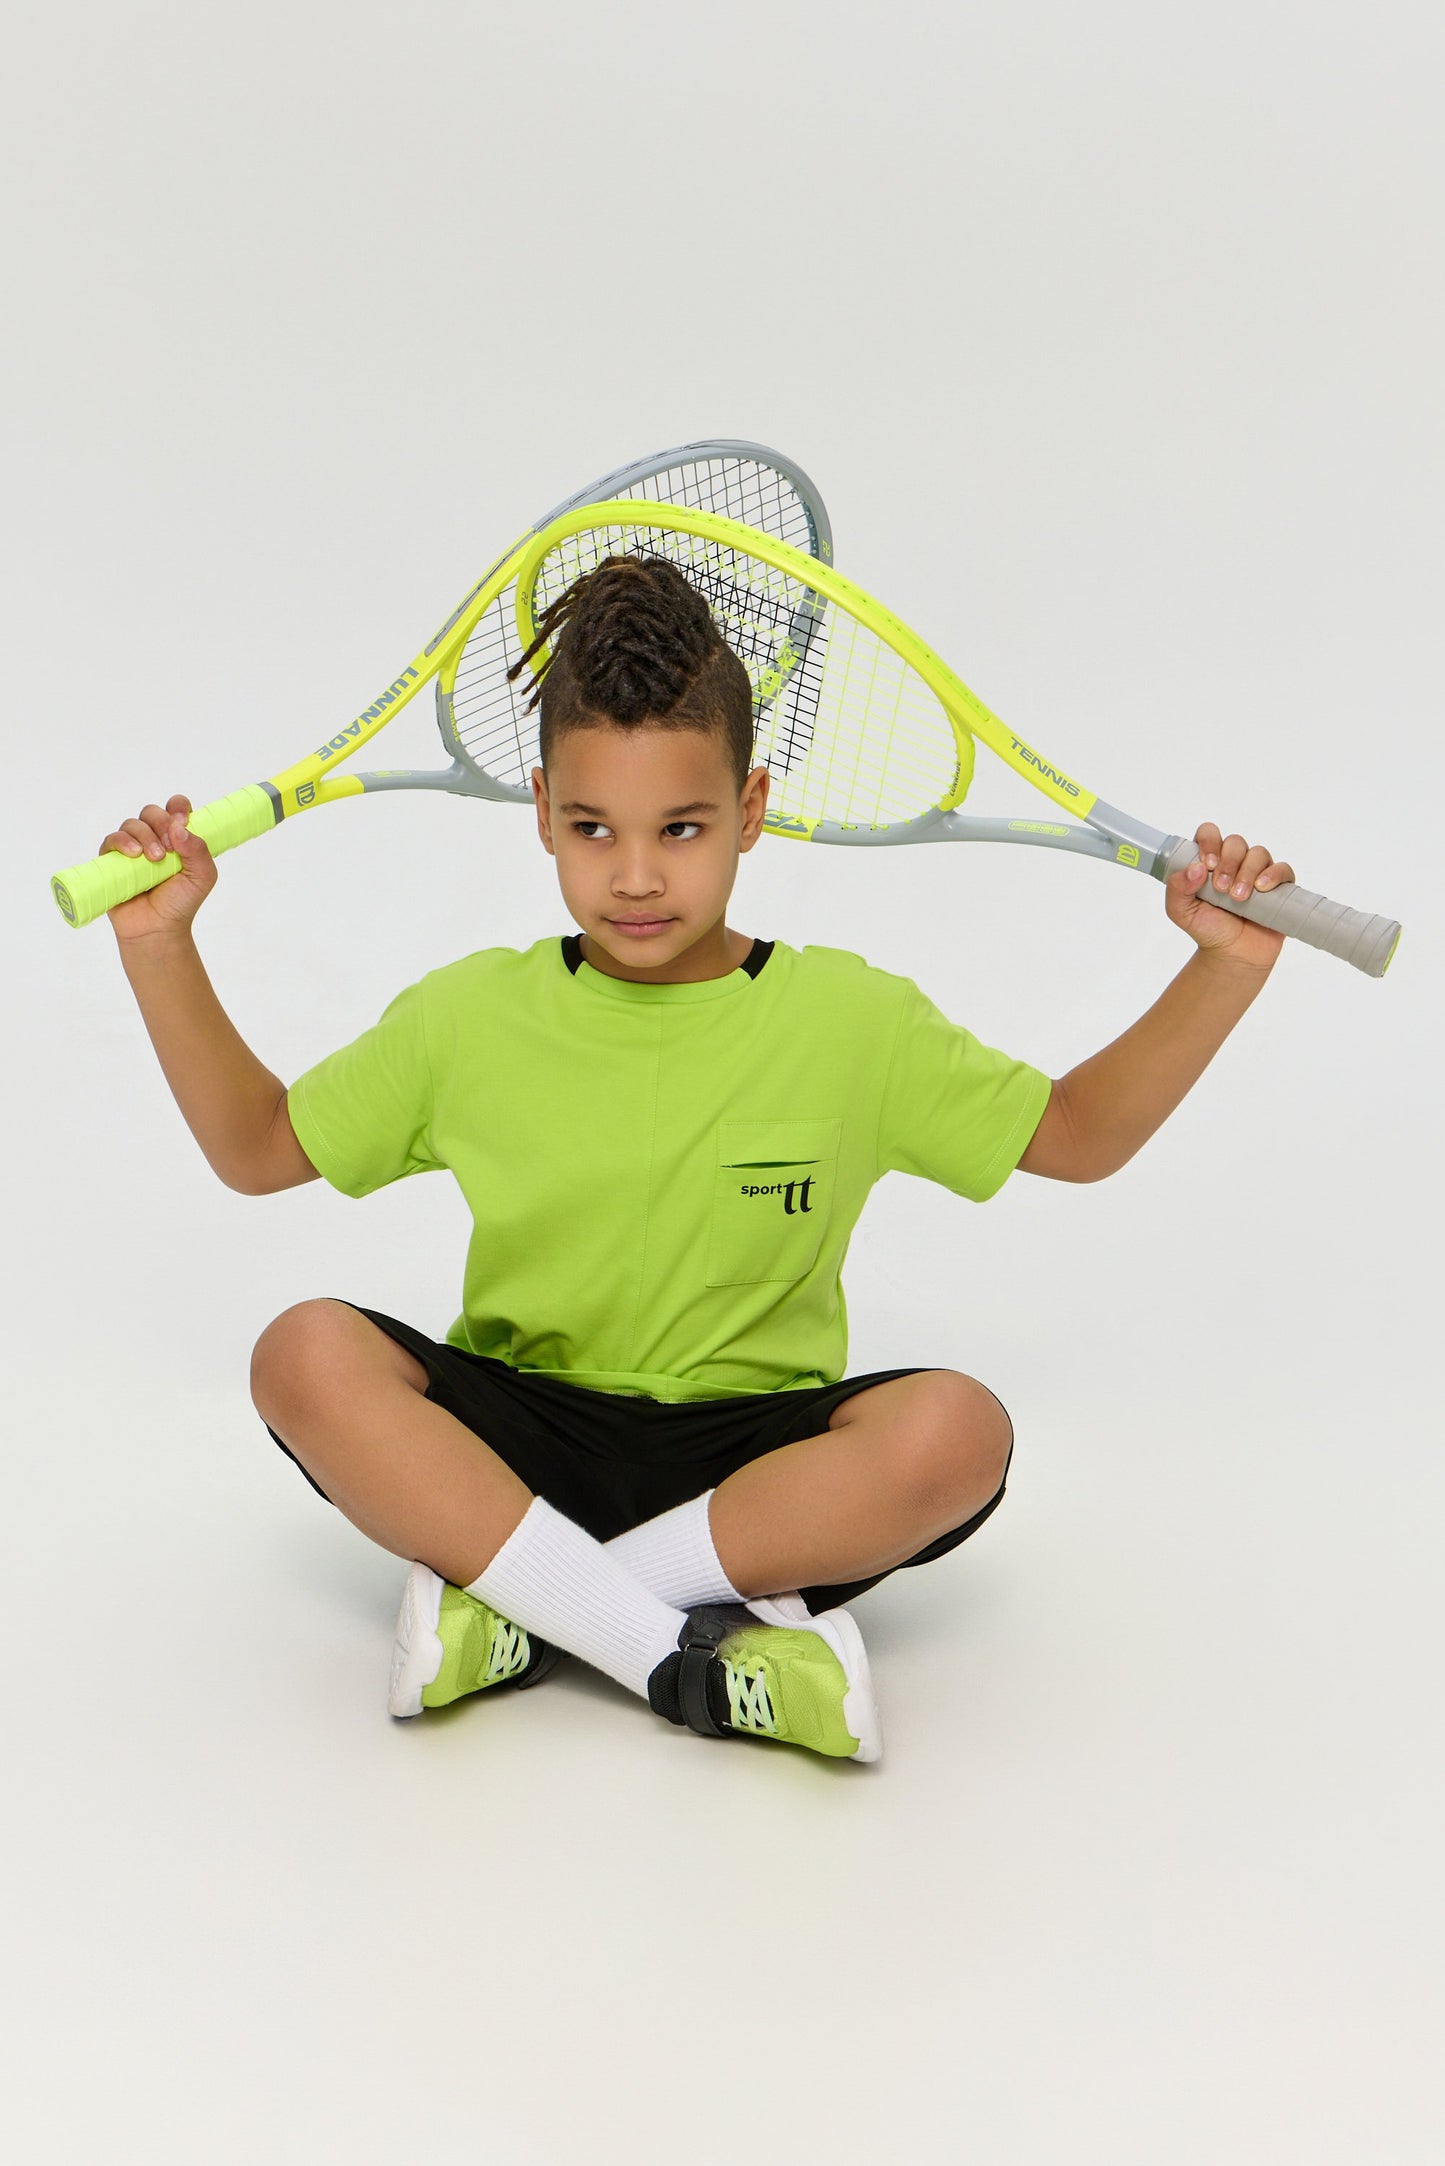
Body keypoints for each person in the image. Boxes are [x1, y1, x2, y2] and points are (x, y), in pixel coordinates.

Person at [101, 555, 1294, 1765]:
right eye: (589, 828)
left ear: (752, 808)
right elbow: (254, 1151)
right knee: (302, 1351)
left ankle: (527, 1609)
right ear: (540, 813)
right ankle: (684, 1654)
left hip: (752, 1471)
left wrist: (1224, 966)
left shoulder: (851, 1022)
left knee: (959, 1430)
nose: (632, 875)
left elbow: (1081, 1139)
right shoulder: (465, 1018)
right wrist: (157, 944)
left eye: (680, 827)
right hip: (517, 1447)